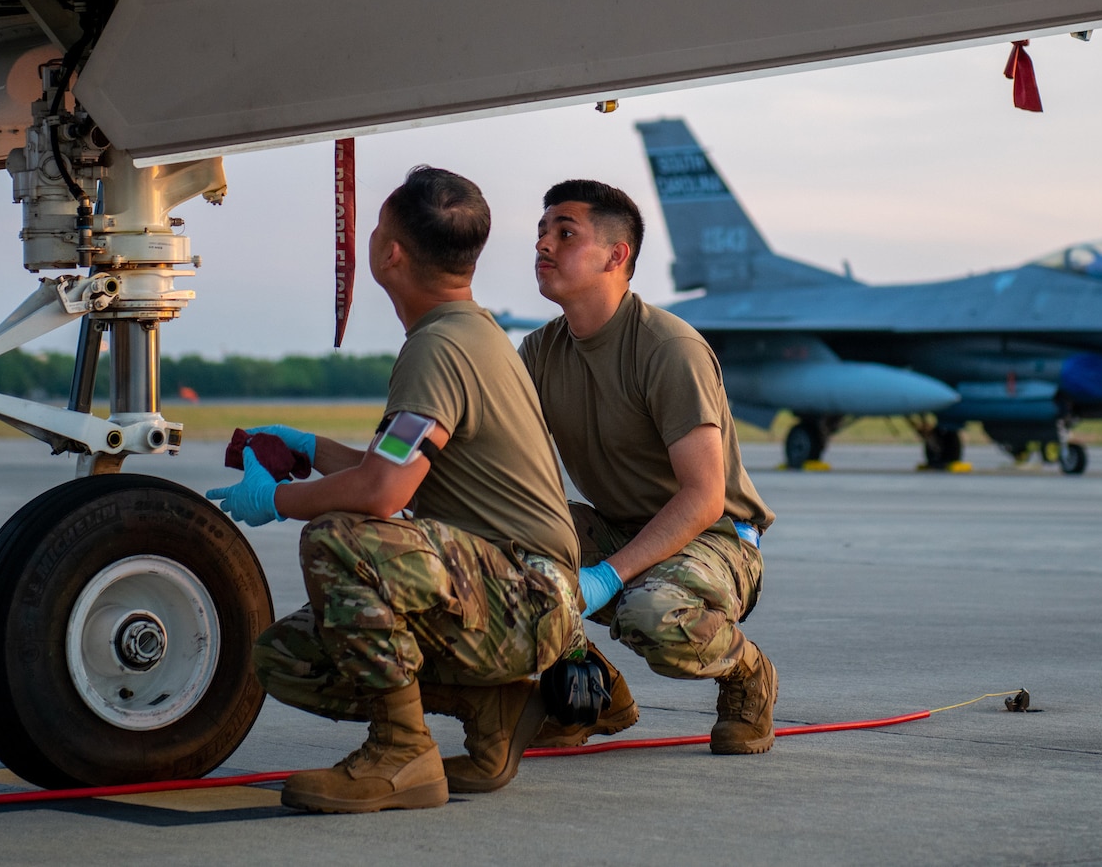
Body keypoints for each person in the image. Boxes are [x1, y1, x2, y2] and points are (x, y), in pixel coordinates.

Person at [205, 166, 581, 813]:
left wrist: (274, 501)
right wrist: (307, 447)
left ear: (391, 253)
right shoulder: (469, 332)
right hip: (513, 590)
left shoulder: (439, 347)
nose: (372, 240)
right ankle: (490, 710)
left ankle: (402, 751)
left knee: (340, 538)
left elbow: (381, 494)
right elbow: (398, 470)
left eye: (376, 228)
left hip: (525, 593)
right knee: (288, 656)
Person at [518, 179, 778, 754]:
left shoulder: (667, 348)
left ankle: (747, 673)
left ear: (617, 255)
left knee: (652, 614)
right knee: (502, 542)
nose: (543, 245)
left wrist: (606, 576)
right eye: (541, 232)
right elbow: (502, 462)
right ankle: (593, 691)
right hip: (619, 526)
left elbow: (704, 496)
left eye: (565, 233)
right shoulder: (539, 353)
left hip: (712, 539)